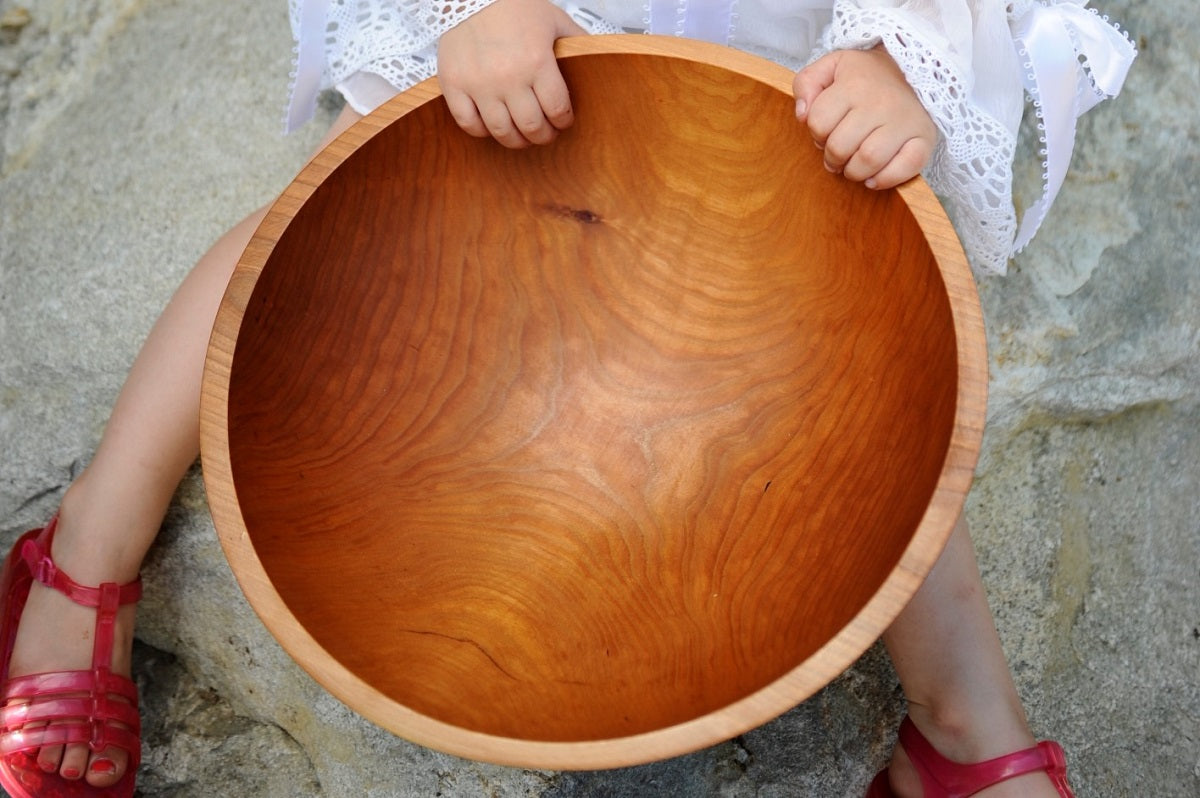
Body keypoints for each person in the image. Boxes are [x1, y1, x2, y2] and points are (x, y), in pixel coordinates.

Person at [0, 1, 1134, 796]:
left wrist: (903, 45)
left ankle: (958, 721)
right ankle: (93, 545)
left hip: (784, 62)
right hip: (528, 35)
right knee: (323, 238)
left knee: (868, 347)